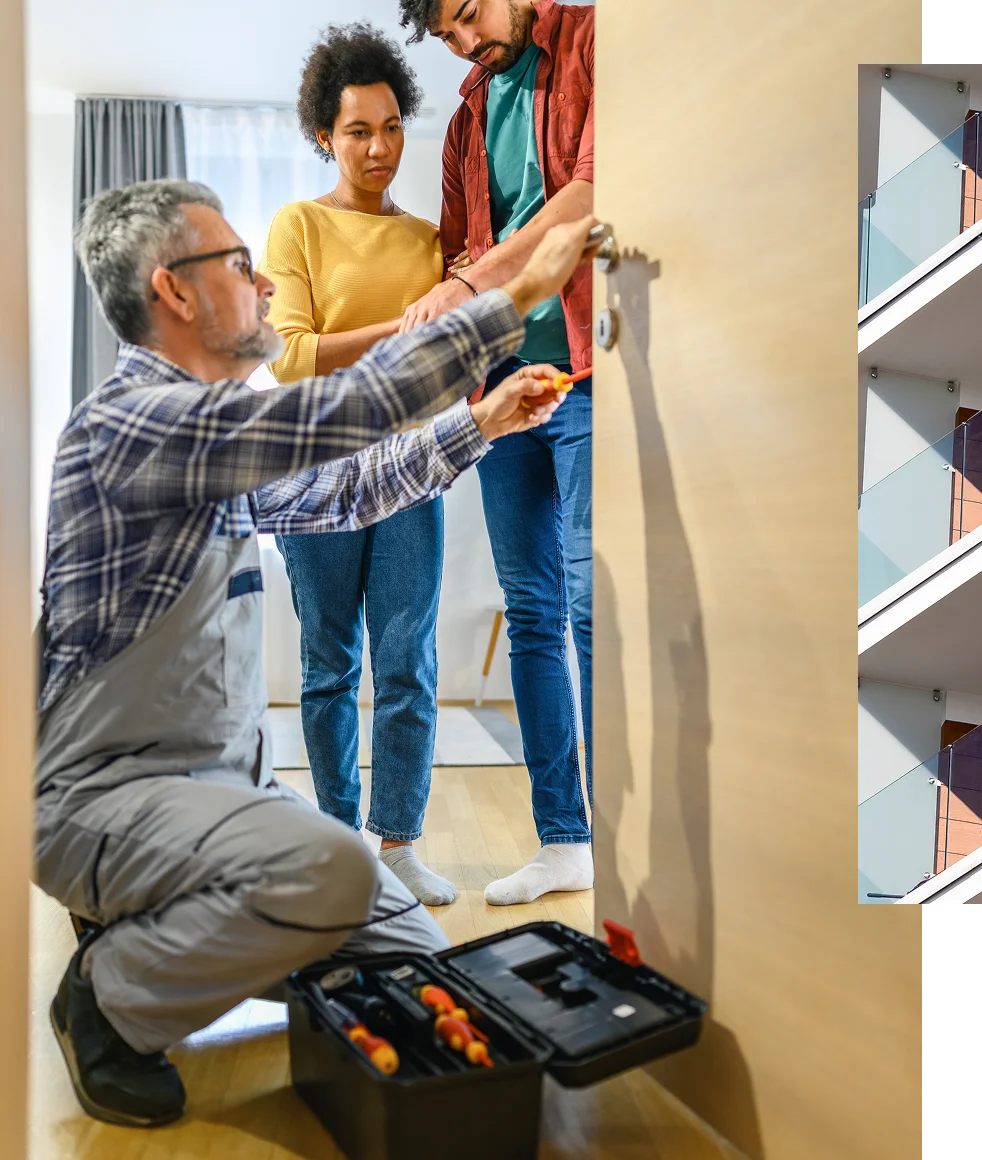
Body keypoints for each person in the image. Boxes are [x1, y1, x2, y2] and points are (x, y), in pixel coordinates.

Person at [35, 176, 595, 1126]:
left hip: (217, 796)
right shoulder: (130, 425)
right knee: (329, 871)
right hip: (104, 805)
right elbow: (329, 416)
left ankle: (179, 927)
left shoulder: (205, 440)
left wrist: (481, 421)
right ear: (172, 289)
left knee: (414, 956)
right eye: (240, 266)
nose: (263, 288)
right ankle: (112, 991)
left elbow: (344, 487)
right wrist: (517, 297)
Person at [396, 0, 596, 907]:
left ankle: (631, 842)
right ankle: (566, 840)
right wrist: (449, 298)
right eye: (446, 38)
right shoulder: (471, 108)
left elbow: (590, 198)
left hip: (592, 366)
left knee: (594, 603)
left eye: (468, 17)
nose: (465, 44)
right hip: (509, 380)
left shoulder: (598, 39)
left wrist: (473, 280)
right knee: (533, 607)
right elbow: (457, 248)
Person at [261, 23, 461, 906]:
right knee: (330, 663)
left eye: (390, 127)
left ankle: (400, 845)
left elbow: (452, 359)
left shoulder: (430, 242)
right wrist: (408, 328)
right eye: (357, 131)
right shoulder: (298, 225)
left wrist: (432, 331)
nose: (378, 147)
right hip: (316, 475)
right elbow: (294, 357)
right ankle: (342, 848)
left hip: (411, 471)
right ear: (323, 136)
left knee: (409, 663)